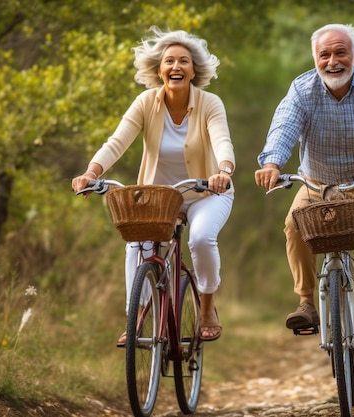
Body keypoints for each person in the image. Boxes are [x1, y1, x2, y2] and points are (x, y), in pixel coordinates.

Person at [254, 23, 354, 359]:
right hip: (316, 185)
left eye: (340, 52)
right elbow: (284, 127)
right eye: (324, 54)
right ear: (315, 58)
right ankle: (307, 302)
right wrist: (271, 164)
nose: (332, 61)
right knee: (294, 226)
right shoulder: (302, 90)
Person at [72, 27, 235, 345]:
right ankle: (136, 315)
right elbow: (117, 142)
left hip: (206, 192)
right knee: (136, 245)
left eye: (184, 61)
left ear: (194, 70)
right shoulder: (146, 102)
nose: (176, 67)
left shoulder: (210, 103)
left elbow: (222, 142)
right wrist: (91, 172)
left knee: (201, 239)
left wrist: (224, 171)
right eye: (169, 61)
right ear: (159, 69)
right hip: (157, 198)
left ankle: (207, 308)